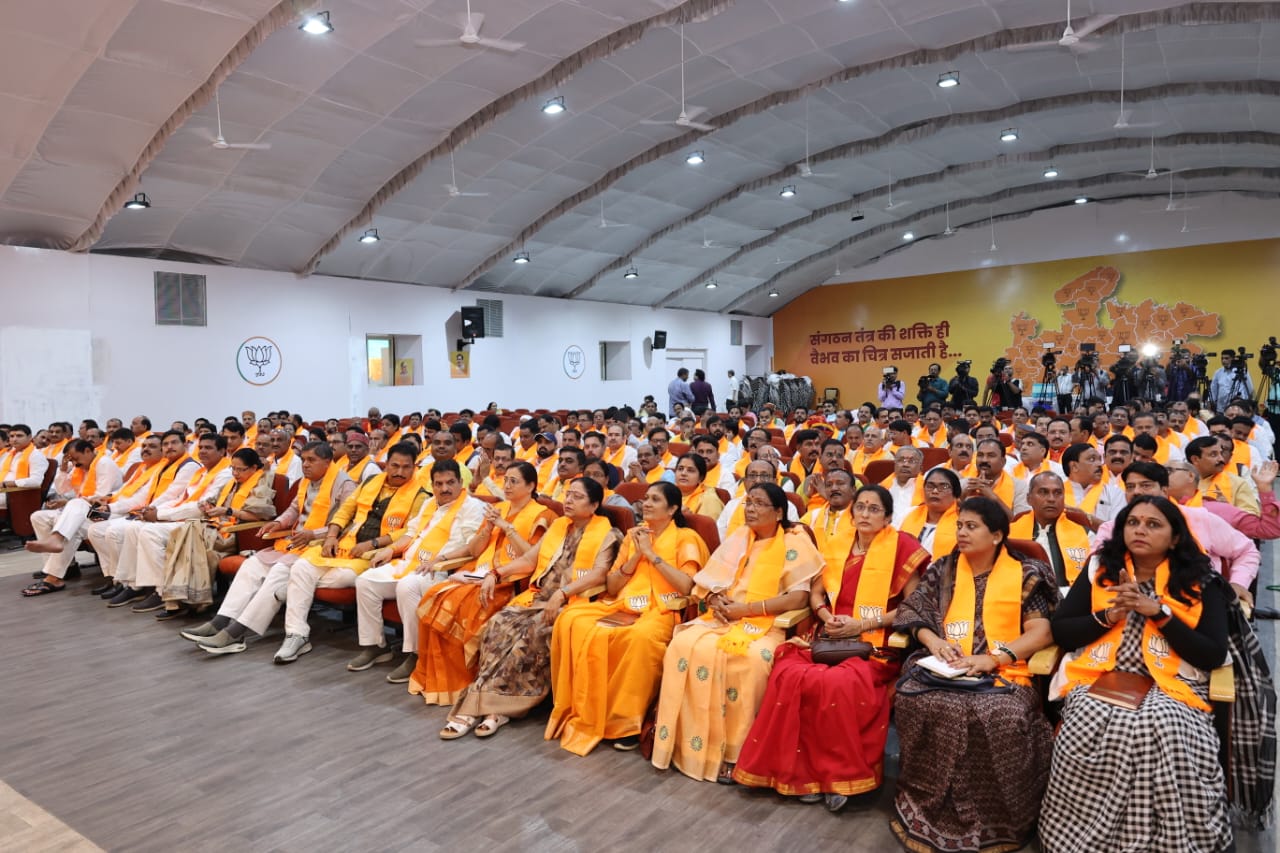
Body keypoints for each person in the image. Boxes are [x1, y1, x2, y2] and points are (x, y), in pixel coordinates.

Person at [1040, 496, 1232, 852]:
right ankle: (1087, 839)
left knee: (1158, 723)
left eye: (1153, 524)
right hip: (1100, 675)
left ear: (1175, 538)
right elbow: (1062, 631)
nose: (1140, 530)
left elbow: (1211, 653)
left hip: (1174, 684)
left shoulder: (1202, 581)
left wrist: (1158, 613)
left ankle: (1163, 841)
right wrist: (1110, 616)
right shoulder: (1100, 567)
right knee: (1092, 716)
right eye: (1133, 522)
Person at [734, 484, 927, 809]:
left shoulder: (903, 547)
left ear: (889, 516)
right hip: (829, 637)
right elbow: (815, 594)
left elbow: (914, 605)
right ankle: (796, 774)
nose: (865, 514)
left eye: (874, 509)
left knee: (837, 683)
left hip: (874, 645)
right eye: (860, 508)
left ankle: (836, 778)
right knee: (789, 673)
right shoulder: (837, 546)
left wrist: (861, 625)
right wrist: (826, 615)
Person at [891, 497, 1059, 853]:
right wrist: (933, 640)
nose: (961, 533)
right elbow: (913, 610)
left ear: (997, 535)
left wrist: (995, 658)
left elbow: (1041, 632)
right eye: (959, 525)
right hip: (944, 667)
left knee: (999, 714)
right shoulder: (944, 570)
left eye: (971, 526)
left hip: (1004, 672)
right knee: (918, 699)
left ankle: (1000, 819)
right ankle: (927, 807)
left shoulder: (1027, 573)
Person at [650, 482, 823, 783]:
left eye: (759, 504)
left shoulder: (795, 541)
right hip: (724, 619)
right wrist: (715, 600)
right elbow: (709, 583)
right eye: (748, 502)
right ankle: (681, 743)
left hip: (766, 624)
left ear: (779, 511)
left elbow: (798, 598)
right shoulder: (739, 538)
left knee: (751, 660)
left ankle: (735, 754)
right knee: (682, 643)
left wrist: (746, 610)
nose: (751, 509)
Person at [442, 478, 622, 739]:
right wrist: (497, 572)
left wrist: (562, 593)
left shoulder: (609, 534)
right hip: (538, 598)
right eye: (567, 495)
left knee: (532, 635)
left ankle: (495, 708)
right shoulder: (560, 526)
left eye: (577, 497)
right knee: (498, 623)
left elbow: (599, 574)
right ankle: (490, 704)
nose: (568, 500)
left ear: (594, 505)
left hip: (574, 602)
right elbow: (530, 559)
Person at [546, 481, 710, 755]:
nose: (646, 503)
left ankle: (626, 724)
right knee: (573, 618)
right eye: (645, 498)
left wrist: (650, 554)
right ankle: (582, 709)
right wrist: (634, 557)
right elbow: (611, 587)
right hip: (623, 603)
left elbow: (686, 586)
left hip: (662, 609)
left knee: (639, 638)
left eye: (655, 500)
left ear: (672, 509)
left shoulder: (686, 538)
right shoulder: (632, 535)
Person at [188, 442, 356, 655]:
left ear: (327, 461)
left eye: (311, 460)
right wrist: (278, 523)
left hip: (317, 547)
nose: (305, 465)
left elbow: (347, 525)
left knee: (278, 572)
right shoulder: (308, 481)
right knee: (252, 564)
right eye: (303, 459)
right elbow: (295, 508)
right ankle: (221, 620)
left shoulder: (345, 484)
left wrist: (313, 534)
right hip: (295, 542)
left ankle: (237, 632)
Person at [408, 462, 554, 704]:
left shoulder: (543, 514)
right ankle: (436, 680)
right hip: (479, 572)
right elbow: (475, 550)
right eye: (505, 480)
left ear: (531, 486)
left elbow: (534, 558)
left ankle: (463, 683)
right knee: (434, 596)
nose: (506, 485)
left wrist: (506, 528)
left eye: (514, 481)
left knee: (467, 607)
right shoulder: (497, 508)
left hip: (510, 580)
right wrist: (487, 528)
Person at [272, 443, 427, 664]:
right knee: (301, 567)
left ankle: (296, 587)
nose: (399, 472)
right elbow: (346, 510)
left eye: (406, 467)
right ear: (386, 465)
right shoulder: (371, 482)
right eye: (394, 466)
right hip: (346, 542)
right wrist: (333, 535)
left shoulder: (420, 494)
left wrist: (373, 544)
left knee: (344, 577)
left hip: (377, 553)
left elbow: (409, 530)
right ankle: (296, 635)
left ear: (414, 468)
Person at [347, 460, 488, 681]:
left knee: (407, 586)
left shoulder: (472, 507)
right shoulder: (430, 503)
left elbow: (472, 548)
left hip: (442, 571)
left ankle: (416, 653)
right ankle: (376, 645)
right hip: (410, 564)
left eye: (451, 482)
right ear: (432, 485)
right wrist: (391, 549)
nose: (445, 489)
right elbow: (411, 534)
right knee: (365, 581)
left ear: (461, 482)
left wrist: (440, 559)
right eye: (439, 484)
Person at [156, 447, 276, 616]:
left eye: (240, 469)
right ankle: (180, 596)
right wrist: (209, 506)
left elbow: (259, 516)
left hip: (237, 533)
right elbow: (215, 501)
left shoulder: (261, 483)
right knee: (183, 532)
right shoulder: (233, 482)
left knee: (193, 535)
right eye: (232, 468)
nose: (235, 473)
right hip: (218, 527)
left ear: (254, 468)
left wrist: (227, 512)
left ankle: (192, 598)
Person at [22, 439, 124, 595]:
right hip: (84, 511)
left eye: (76, 458)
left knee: (74, 517)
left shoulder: (104, 463)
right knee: (38, 516)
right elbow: (64, 490)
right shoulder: (80, 468)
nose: (74, 462)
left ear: (88, 451)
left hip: (107, 513)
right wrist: (63, 470)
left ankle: (53, 575)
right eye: (72, 459)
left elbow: (100, 497)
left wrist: (72, 502)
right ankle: (60, 567)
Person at [1008, 472, 1092, 587]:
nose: (1051, 499)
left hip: (1069, 600)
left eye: (1058, 493)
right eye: (1043, 492)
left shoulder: (1086, 535)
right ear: (1029, 499)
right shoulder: (1010, 533)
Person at [899, 468, 961, 558]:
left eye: (943, 487)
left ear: (956, 494)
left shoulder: (961, 522)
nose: (935, 491)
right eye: (930, 486)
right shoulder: (908, 513)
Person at [671, 452, 724, 520]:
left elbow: (706, 528)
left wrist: (689, 518)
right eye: (680, 469)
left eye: (690, 470)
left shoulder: (709, 500)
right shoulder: (667, 493)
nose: (683, 473)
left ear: (700, 478)